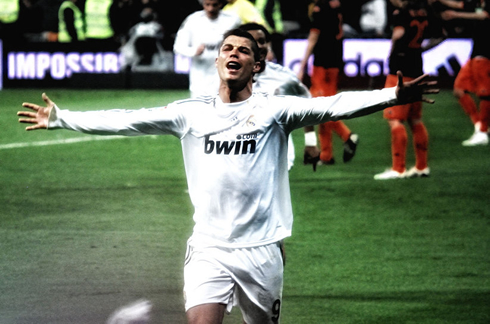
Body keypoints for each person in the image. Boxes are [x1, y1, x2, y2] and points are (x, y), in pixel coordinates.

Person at [18, 28, 437, 324]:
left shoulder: (276, 110)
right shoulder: (191, 112)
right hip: (209, 248)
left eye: (244, 50)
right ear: (218, 60)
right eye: (227, 48)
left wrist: (394, 94)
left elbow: (334, 105)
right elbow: (128, 120)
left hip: (261, 251)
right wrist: (62, 119)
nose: (234, 54)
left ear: (257, 66)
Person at [374, 0, 445, 180]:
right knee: (415, 118)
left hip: (400, 71)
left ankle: (398, 169)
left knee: (395, 119)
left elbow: (398, 34)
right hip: (417, 68)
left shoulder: (400, 13)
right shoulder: (423, 12)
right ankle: (422, 166)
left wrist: (392, 52)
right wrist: (421, 49)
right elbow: (442, 35)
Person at [239, 22, 320, 171]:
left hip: (278, 153)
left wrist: (310, 141)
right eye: (253, 41)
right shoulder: (226, 78)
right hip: (238, 152)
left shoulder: (283, 77)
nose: (259, 46)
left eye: (262, 41)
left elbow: (306, 103)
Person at [297, 0, 359, 165]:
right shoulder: (334, 1)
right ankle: (326, 155)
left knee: (321, 108)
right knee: (325, 107)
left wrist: (302, 65)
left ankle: (348, 136)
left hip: (322, 63)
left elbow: (313, 38)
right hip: (335, 60)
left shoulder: (319, 6)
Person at [427, 0, 490, 146]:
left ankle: (483, 131)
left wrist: (456, 15)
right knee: (459, 89)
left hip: (486, 53)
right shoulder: (478, 2)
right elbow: (460, 4)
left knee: (485, 94)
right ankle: (479, 125)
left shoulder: (489, 2)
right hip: (475, 53)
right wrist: (440, 0)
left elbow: (484, 16)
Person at [173, 0, 242, 97]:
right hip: (200, 78)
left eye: (214, 5)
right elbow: (178, 47)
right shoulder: (193, 21)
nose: (211, 9)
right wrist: (193, 51)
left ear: (220, 4)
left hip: (225, 75)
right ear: (203, 3)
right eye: (207, 4)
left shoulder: (233, 20)